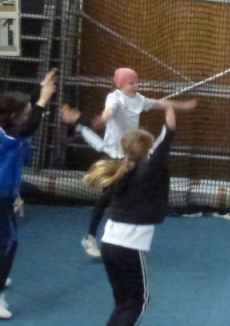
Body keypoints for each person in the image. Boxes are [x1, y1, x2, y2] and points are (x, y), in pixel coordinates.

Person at [78, 103, 184, 326]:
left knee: (124, 300)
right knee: (139, 299)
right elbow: (161, 152)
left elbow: (158, 152)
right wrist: (170, 126)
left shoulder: (122, 169)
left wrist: (169, 127)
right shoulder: (147, 171)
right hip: (130, 247)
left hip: (109, 243)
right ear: (146, 150)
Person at [74, 67, 190, 259]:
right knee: (106, 197)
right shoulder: (114, 97)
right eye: (131, 83)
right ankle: (91, 237)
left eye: (137, 82)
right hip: (113, 155)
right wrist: (104, 117)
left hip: (131, 155)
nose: (136, 85)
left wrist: (182, 106)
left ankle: (126, 237)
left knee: (129, 194)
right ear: (121, 84)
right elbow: (109, 110)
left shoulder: (139, 99)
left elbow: (160, 104)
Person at [0, 68, 57, 319]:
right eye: (25, 113)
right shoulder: (4, 134)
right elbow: (30, 127)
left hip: (5, 191)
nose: (29, 116)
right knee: (10, 239)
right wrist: (43, 100)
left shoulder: (11, 128)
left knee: (4, 232)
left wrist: (41, 91)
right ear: (13, 116)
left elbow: (28, 122)